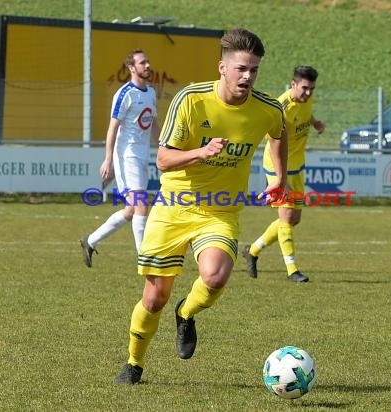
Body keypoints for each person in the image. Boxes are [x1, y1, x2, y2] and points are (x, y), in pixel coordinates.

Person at [113, 28, 288, 385]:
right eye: (241, 68)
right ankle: (134, 364)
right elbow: (162, 159)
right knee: (154, 297)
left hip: (219, 212)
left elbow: (278, 134)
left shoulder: (267, 108)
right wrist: (200, 152)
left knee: (216, 275)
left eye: (254, 69)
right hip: (174, 207)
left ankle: (187, 312)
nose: (248, 76)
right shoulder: (191, 100)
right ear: (222, 67)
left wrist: (279, 179)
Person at [242, 66, 325, 282]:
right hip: (279, 168)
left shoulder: (306, 101)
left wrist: (315, 123)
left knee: (293, 218)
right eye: (305, 88)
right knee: (286, 217)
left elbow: (306, 115)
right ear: (293, 84)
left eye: (312, 89)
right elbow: (273, 144)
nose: (308, 93)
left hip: (297, 167)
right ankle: (292, 270)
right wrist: (281, 179)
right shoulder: (282, 107)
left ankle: (252, 250)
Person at [79, 49, 160, 267]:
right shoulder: (124, 94)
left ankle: (90, 240)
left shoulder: (151, 92)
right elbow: (112, 128)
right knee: (142, 204)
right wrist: (108, 160)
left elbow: (152, 124)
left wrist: (162, 146)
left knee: (130, 210)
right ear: (132, 68)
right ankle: (144, 257)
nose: (148, 65)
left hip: (143, 156)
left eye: (148, 61)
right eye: (143, 62)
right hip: (127, 156)